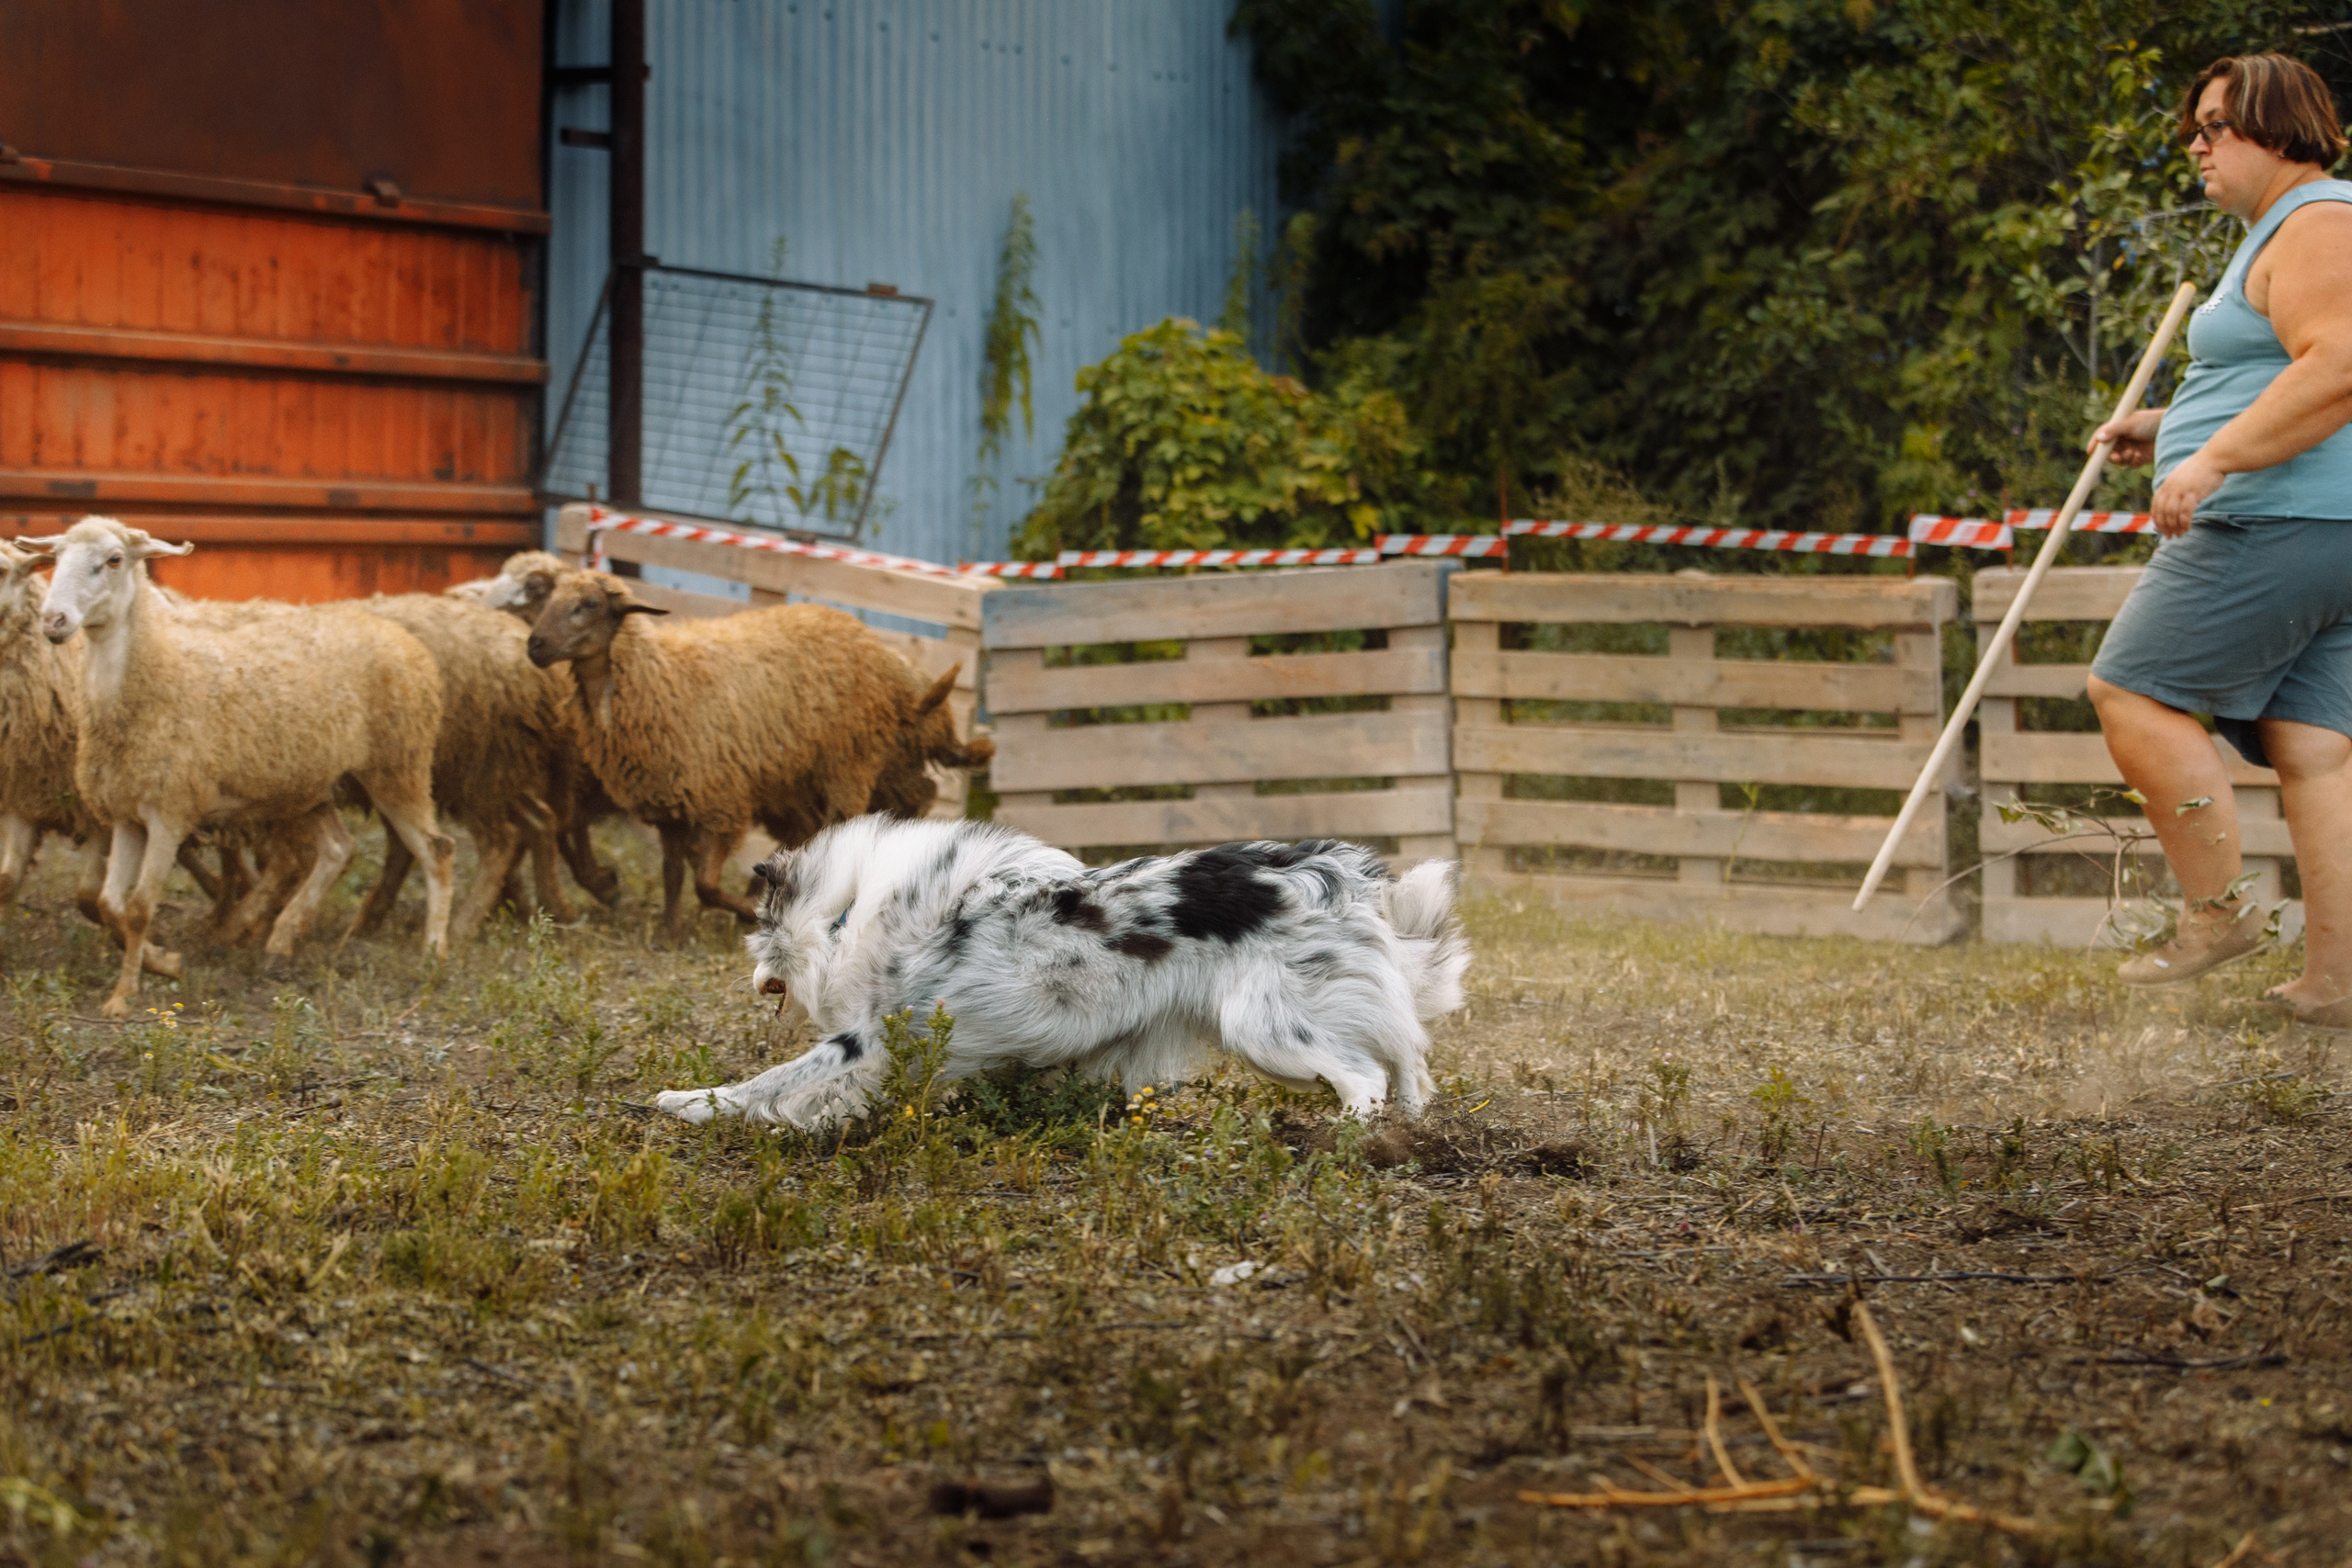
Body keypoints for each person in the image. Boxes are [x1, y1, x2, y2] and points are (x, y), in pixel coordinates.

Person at [2084, 52, 2352, 1018]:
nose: (2193, 144)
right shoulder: (2291, 227)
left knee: (2131, 693)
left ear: (2276, 129)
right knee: (2313, 746)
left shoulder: (2319, 220)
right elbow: (2280, 368)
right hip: (2329, 524)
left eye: (2212, 126)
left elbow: (2338, 367)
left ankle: (2218, 910)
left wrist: (2212, 462)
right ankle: (2338, 981)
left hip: (2272, 518)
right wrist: (2164, 429)